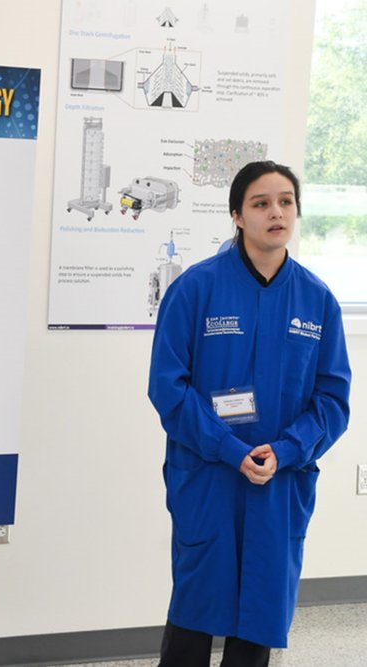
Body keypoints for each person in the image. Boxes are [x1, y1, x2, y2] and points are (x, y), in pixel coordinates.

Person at [148, 161, 351, 666]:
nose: (275, 212)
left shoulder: (317, 300)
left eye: (285, 201)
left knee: (259, 616)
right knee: (196, 612)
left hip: (278, 482)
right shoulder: (196, 289)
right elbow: (168, 387)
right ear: (237, 215)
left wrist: (285, 452)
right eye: (261, 203)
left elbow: (332, 399)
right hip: (209, 475)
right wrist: (228, 449)